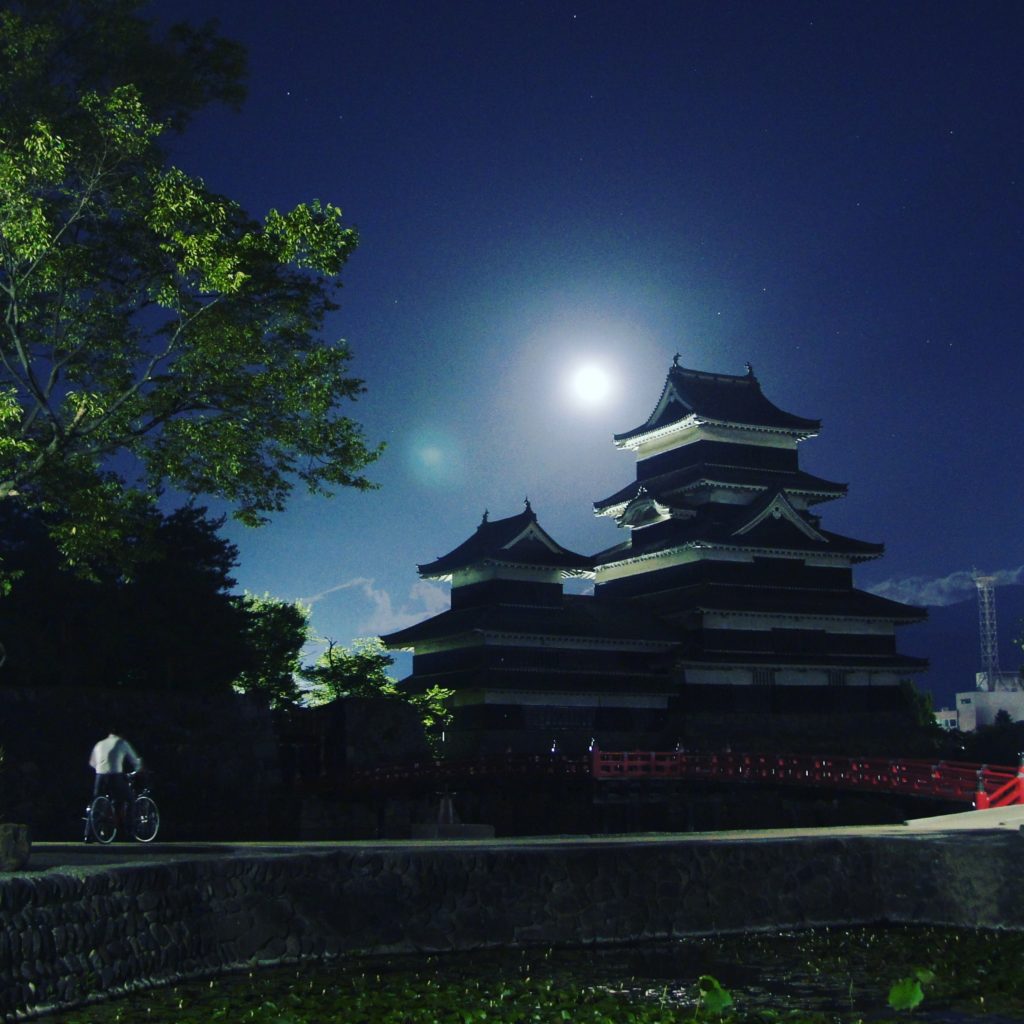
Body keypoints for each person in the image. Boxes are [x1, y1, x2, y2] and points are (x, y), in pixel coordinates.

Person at [88, 731, 144, 809]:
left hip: (99, 777)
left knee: (96, 801)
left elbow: (92, 763)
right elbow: (134, 760)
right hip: (115, 776)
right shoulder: (121, 742)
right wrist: (138, 768)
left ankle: (95, 816)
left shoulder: (99, 744)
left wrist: (102, 768)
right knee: (130, 799)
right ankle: (129, 821)